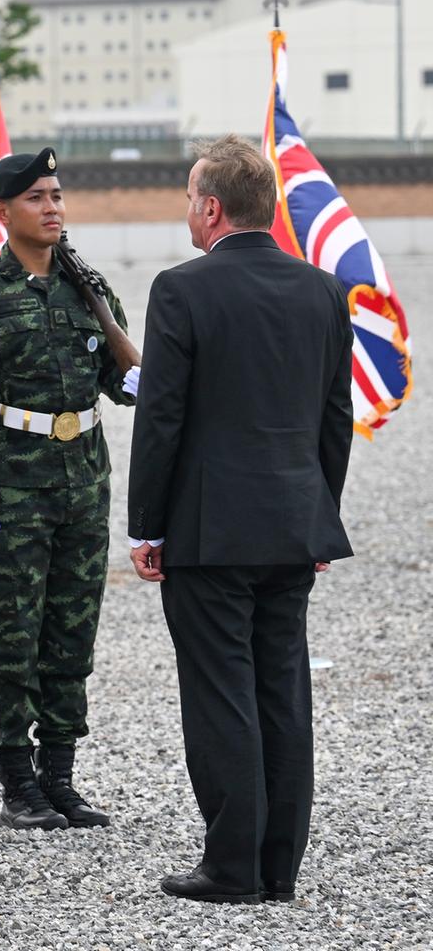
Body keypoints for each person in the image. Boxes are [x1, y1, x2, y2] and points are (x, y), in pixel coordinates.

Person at [127, 136, 354, 905]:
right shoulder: (322, 290)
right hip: (293, 523)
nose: (188, 211)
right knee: (282, 693)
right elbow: (334, 419)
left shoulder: (181, 290)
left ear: (213, 207)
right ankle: (278, 868)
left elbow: (160, 419)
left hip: (208, 530)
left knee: (221, 694)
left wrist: (145, 528)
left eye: (192, 197)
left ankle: (231, 868)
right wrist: (318, 515)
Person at [0, 148, 138, 831]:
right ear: (3, 212)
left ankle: (60, 777)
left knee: (71, 635)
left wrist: (139, 381)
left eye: (57, 196)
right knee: (14, 636)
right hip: (11, 484)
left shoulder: (89, 286)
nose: (53, 208)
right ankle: (17, 784)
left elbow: (115, 378)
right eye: (37, 198)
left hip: (84, 481)